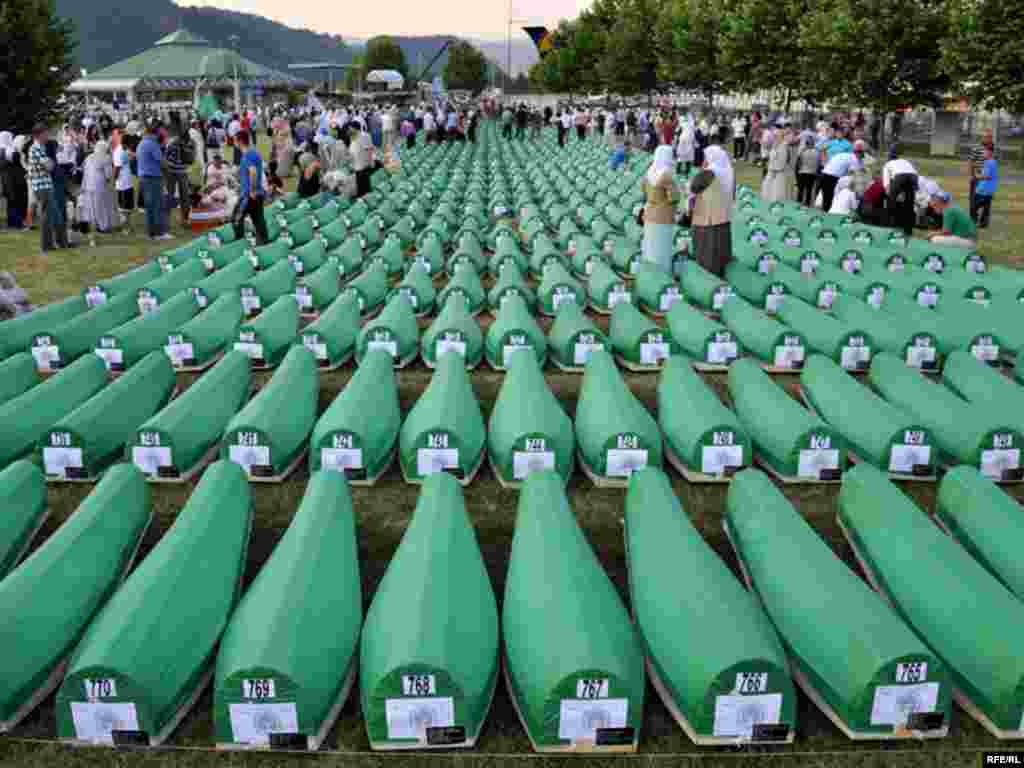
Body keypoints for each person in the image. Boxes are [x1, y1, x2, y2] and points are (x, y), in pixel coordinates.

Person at [689, 144, 734, 277]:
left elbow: (694, 187)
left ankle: (707, 279)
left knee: (707, 252)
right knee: (720, 251)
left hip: (707, 219)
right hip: (723, 218)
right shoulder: (728, 172)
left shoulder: (709, 173)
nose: (704, 160)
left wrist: (702, 170)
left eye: (706, 157)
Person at [639, 145, 679, 273]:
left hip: (649, 212)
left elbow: (642, 189)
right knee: (661, 247)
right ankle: (662, 275)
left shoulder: (650, 172)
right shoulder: (666, 174)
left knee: (650, 246)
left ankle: (651, 275)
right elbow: (674, 197)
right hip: (663, 215)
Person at [27, 125, 62, 253]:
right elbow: (49, 166)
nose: (47, 136)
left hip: (45, 185)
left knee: (54, 215)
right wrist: (50, 163)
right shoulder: (36, 148)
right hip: (42, 186)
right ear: (39, 135)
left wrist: (50, 163)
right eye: (46, 133)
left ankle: (59, 242)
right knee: (46, 217)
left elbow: (50, 164)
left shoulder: (40, 148)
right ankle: (46, 245)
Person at [233, 130, 268, 244]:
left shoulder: (247, 155)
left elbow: (253, 172)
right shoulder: (254, 152)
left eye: (235, 140)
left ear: (240, 141)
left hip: (249, 194)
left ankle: (239, 244)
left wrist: (252, 190)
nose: (234, 143)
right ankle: (264, 242)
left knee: (236, 218)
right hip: (258, 193)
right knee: (258, 219)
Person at [79, 139, 118, 241]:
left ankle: (92, 224)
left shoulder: (88, 157)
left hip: (88, 184)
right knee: (101, 206)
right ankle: (103, 226)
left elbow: (84, 171)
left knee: (90, 207)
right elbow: (108, 174)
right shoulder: (106, 158)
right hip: (99, 185)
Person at [138, 122, 170, 240]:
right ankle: (159, 233)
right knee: (157, 205)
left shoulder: (142, 143)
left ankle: (151, 232)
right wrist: (168, 169)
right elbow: (161, 161)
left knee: (149, 207)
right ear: (155, 134)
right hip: (153, 178)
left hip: (144, 178)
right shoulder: (152, 144)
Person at [819, 140, 866, 211]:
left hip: (824, 174)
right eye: (862, 155)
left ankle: (825, 213)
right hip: (832, 177)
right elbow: (856, 174)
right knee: (831, 200)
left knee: (826, 200)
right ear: (859, 154)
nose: (862, 158)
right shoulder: (854, 159)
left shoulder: (845, 155)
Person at [882, 147, 918, 236]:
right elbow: (913, 173)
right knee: (909, 205)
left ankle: (891, 227)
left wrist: (890, 195)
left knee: (891, 203)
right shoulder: (905, 161)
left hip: (900, 176)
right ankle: (908, 230)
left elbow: (886, 184)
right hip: (913, 176)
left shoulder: (887, 164)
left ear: (889, 158)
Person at [163, 129, 192, 230]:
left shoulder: (172, 143)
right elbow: (191, 159)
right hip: (182, 172)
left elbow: (165, 156)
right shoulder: (190, 142)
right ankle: (185, 220)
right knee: (184, 197)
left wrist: (170, 164)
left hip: (172, 172)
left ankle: (167, 222)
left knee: (169, 196)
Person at [1, 134, 29, 230]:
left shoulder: (4, 150)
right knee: (16, 201)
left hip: (7, 179)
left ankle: (13, 222)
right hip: (13, 179)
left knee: (12, 201)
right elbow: (16, 159)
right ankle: (17, 222)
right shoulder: (8, 150)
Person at [761, 129, 794, 202]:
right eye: (774, 136)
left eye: (776, 136)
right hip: (771, 170)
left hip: (778, 173)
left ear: (781, 137)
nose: (775, 138)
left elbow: (782, 161)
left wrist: (775, 170)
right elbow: (771, 158)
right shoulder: (774, 145)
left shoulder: (784, 146)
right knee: (767, 186)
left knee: (777, 192)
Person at [968, 128, 994, 216]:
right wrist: (972, 175)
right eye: (986, 137)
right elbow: (971, 162)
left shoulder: (992, 148)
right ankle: (973, 217)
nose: (988, 139)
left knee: (987, 200)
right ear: (982, 138)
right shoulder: (976, 148)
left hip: (987, 178)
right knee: (974, 199)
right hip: (977, 177)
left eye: (990, 137)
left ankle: (984, 219)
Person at [972, 144, 998, 229]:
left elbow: (987, 176)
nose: (983, 153)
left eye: (985, 152)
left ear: (990, 152)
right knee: (986, 207)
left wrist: (977, 175)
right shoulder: (993, 162)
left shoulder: (989, 162)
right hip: (989, 189)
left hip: (983, 188)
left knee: (974, 206)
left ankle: (974, 222)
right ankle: (983, 224)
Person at [350, 125, 373, 199]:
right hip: (362, 164)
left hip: (361, 165)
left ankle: (364, 198)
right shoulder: (360, 137)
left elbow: (366, 150)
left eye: (351, 129)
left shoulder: (359, 139)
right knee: (364, 183)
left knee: (362, 183)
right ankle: (366, 196)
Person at [795, 135, 818, 207]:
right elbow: (818, 163)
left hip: (804, 172)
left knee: (801, 189)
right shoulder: (816, 151)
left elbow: (799, 161)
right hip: (811, 173)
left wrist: (798, 170)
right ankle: (806, 204)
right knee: (809, 189)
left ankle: (799, 203)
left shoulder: (803, 150)